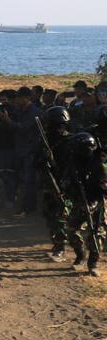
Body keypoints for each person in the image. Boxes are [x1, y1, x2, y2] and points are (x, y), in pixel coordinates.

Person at [60, 133, 105, 277]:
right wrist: (68, 188)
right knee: (71, 229)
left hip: (96, 203)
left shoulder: (99, 165)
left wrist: (92, 204)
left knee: (95, 233)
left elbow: (103, 190)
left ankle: (93, 263)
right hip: (79, 202)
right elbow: (65, 180)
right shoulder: (73, 162)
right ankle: (80, 255)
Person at [35, 107, 72, 261]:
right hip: (49, 183)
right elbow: (35, 163)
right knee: (50, 215)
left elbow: (73, 165)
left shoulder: (69, 141)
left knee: (60, 216)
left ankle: (61, 247)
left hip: (65, 184)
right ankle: (56, 243)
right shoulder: (44, 141)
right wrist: (43, 159)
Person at [0, 86, 39, 215]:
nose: (16, 100)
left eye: (19, 97)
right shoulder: (20, 110)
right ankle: (26, 206)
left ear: (26, 98)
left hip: (30, 151)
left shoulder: (33, 111)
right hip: (20, 150)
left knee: (28, 181)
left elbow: (23, 128)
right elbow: (12, 126)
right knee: (22, 179)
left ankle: (28, 208)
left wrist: (8, 121)